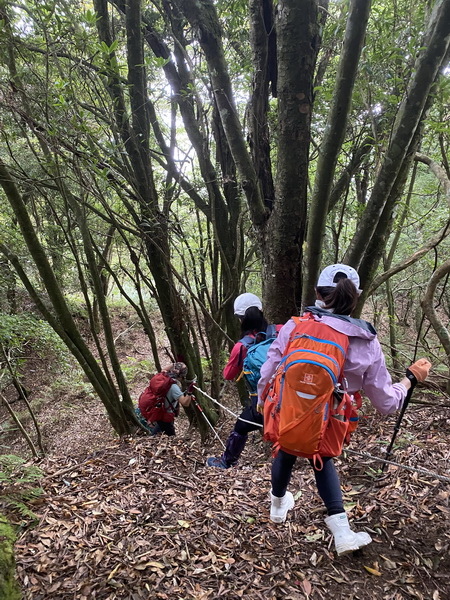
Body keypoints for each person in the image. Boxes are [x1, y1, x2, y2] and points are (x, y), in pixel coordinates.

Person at [257, 263, 431, 556]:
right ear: (356, 296)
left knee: (286, 447)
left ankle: (277, 507)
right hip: (331, 417)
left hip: (289, 406)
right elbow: (386, 403)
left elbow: (271, 366)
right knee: (321, 458)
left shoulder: (295, 326)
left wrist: (263, 399)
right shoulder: (365, 341)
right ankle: (342, 532)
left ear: (317, 293)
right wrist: (409, 380)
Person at [206, 293, 280, 469]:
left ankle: (226, 461)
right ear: (261, 311)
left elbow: (228, 375)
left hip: (262, 404)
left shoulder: (242, 346)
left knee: (240, 427)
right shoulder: (281, 330)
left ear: (240, 319)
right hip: (290, 396)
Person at [137, 362, 192, 436]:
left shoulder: (161, 377)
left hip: (158, 410)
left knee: (158, 430)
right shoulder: (173, 387)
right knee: (171, 436)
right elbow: (185, 403)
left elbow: (164, 369)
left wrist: (175, 364)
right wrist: (190, 392)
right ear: (181, 376)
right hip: (164, 415)